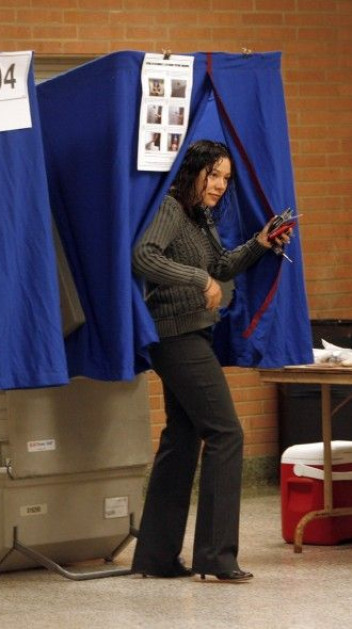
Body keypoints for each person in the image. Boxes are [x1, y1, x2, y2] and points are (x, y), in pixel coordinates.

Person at [130, 140, 292, 582]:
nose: (220, 185)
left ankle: (156, 557)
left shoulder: (200, 217)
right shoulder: (171, 207)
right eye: (213, 175)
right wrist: (197, 278)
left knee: (182, 438)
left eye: (225, 179)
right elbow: (144, 254)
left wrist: (260, 243)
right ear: (194, 172)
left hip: (190, 332)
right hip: (176, 333)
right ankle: (216, 558)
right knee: (226, 432)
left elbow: (220, 263)